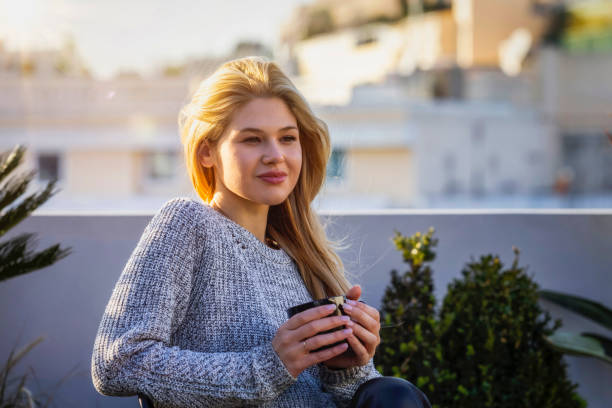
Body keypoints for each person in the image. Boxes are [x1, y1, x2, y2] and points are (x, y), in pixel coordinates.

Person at [90, 56, 431, 408]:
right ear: (208, 151)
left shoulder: (303, 256)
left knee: (395, 394)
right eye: (252, 140)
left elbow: (325, 395)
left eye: (287, 138)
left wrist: (347, 369)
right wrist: (268, 367)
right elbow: (118, 361)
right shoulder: (188, 224)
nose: (275, 155)